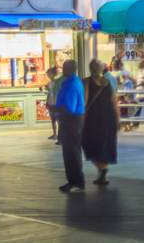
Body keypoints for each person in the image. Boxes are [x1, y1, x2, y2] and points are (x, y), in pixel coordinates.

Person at [82, 59, 118, 186]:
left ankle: (102, 171)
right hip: (109, 118)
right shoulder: (107, 82)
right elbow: (114, 103)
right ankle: (103, 177)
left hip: (94, 119)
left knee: (88, 144)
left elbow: (84, 101)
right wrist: (118, 120)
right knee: (105, 145)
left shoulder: (86, 81)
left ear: (90, 68)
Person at [55, 59, 86, 192]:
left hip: (71, 121)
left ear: (69, 69)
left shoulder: (71, 84)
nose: (62, 69)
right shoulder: (74, 81)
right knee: (70, 152)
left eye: (64, 67)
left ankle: (76, 182)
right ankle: (73, 181)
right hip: (72, 121)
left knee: (71, 152)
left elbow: (69, 108)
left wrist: (54, 109)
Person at [42, 67, 61, 141]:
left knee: (57, 119)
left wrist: (50, 89)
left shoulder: (56, 82)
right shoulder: (50, 82)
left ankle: (59, 134)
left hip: (54, 102)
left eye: (49, 73)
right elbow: (49, 92)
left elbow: (54, 91)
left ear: (53, 74)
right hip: (50, 102)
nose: (48, 75)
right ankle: (55, 133)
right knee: (53, 119)